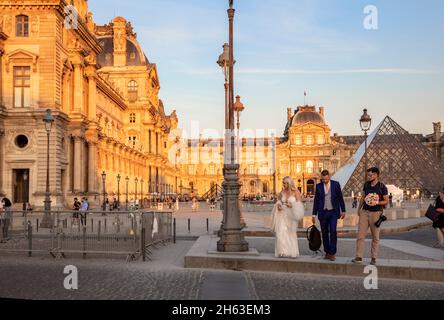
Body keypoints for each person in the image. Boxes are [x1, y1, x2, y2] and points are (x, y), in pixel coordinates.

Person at [352, 167, 389, 266]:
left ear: (377, 175)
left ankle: (373, 257)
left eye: (371, 175)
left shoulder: (382, 187)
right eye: (368, 175)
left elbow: (386, 201)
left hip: (376, 213)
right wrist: (359, 209)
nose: (368, 176)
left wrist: (376, 202)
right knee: (360, 235)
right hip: (365, 211)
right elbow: (363, 197)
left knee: (375, 237)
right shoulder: (366, 184)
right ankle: (359, 256)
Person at [312, 170, 346, 261]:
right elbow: (316, 201)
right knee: (324, 233)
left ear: (329, 176)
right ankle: (327, 251)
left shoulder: (336, 184)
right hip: (322, 212)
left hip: (333, 212)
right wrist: (313, 214)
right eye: (323, 179)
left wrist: (343, 210)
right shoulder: (318, 186)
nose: (325, 181)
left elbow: (340, 198)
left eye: (326, 179)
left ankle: (332, 253)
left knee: (333, 231)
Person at [270, 176, 304, 258]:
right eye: (283, 183)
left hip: (291, 215)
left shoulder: (296, 192)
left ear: (289, 183)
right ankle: (282, 251)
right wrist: (278, 205)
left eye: (285, 183)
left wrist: (292, 205)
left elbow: (300, 204)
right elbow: (278, 201)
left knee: (290, 233)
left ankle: (291, 252)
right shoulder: (281, 192)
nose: (283, 184)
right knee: (280, 232)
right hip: (282, 215)